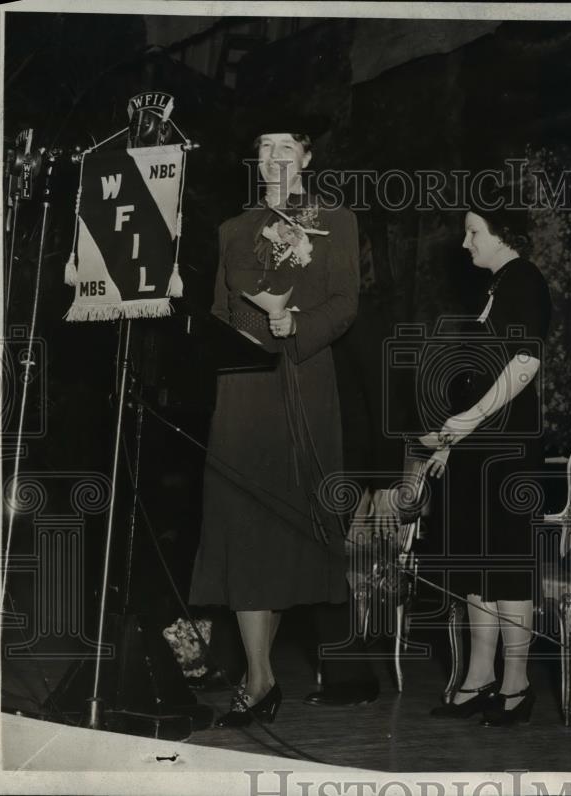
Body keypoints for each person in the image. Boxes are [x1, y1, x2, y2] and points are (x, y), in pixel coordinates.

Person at [189, 119, 378, 728]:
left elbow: (345, 303)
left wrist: (296, 327)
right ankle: (259, 675)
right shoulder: (233, 229)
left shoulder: (338, 222)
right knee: (243, 523)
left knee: (289, 525)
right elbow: (222, 309)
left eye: (286, 146)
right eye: (264, 146)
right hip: (243, 391)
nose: (274, 156)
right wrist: (254, 327)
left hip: (306, 382)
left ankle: (272, 673)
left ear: (307, 155)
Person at [420, 201, 552, 727]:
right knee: (476, 565)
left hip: (509, 449)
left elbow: (525, 362)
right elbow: (481, 373)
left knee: (507, 567)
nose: (465, 242)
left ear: (504, 234)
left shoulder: (525, 281)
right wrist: (453, 438)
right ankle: (478, 679)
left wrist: (469, 420)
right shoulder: (495, 287)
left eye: (474, 231)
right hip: (478, 448)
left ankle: (516, 685)